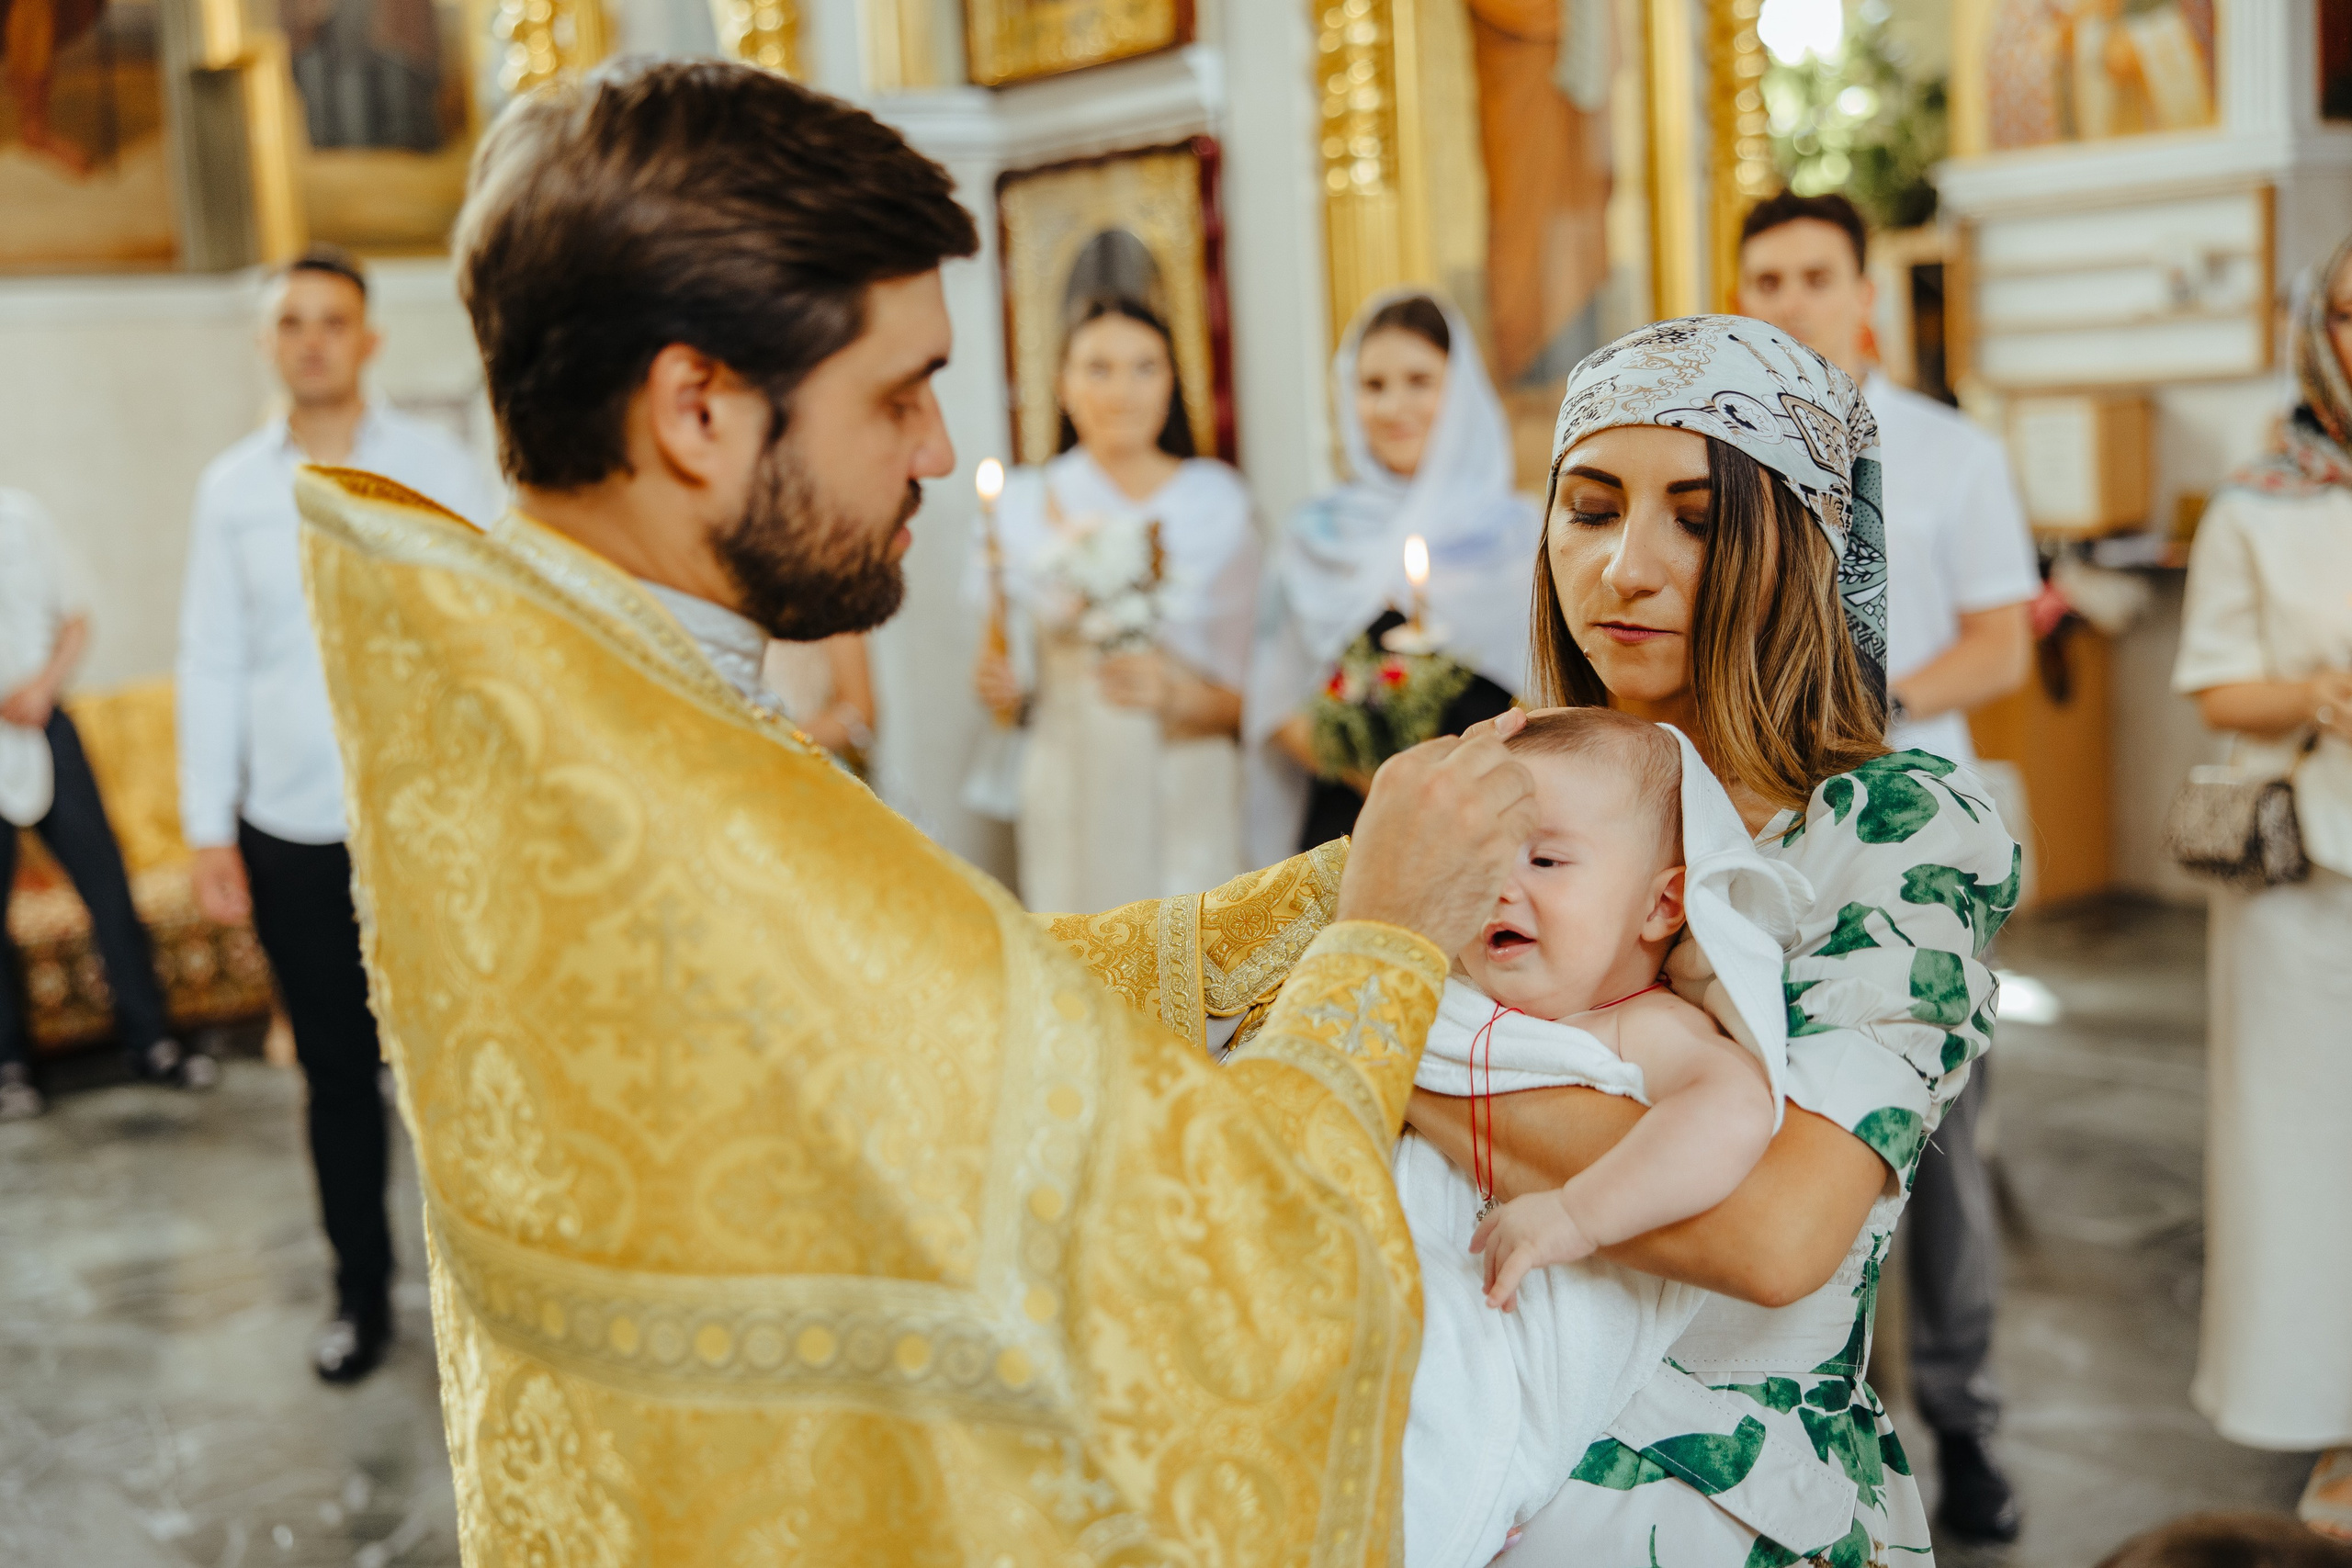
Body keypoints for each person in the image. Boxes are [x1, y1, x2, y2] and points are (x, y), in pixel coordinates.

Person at [293, 59, 1540, 1563]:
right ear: (698, 407)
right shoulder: (663, 805)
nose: (941, 454)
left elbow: (934, 1017)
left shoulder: (574, 700)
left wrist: (1313, 895)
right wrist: (1388, 945)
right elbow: (1217, 1274)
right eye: (900, 394)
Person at [1737, 186, 2040, 1543]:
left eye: (1816, 274)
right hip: (1769, 835)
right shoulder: (1725, 462)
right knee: (1786, 1127)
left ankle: (1964, 1418)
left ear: (1864, 293)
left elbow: (2001, 642)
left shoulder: (1953, 452)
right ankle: (1804, 1403)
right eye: (1767, 277)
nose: (1791, 298)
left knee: (1938, 1135)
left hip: (1915, 834)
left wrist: (1867, 706)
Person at [176, 243, 496, 1383]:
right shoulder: (230, 488)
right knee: (337, 1074)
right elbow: (211, 657)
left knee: (458, 1070)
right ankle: (360, 1294)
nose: (312, 338)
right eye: (291, 322)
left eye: (332, 320)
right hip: (293, 829)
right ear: (269, 343)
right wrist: (209, 825)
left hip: (428, 821)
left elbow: (491, 628)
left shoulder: (441, 464)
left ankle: (492, 1303)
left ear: (369, 340)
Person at [1394, 708, 1800, 1568]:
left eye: (1544, 859)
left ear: (1661, 903)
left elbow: (1730, 1111)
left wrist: (1577, 1213)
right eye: (1485, 857)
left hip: (1488, 1338)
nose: (1503, 885)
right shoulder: (1445, 990)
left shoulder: (1639, 1026)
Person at [2173, 229, 2352, 1544]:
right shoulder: (2258, 499)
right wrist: (2316, 692)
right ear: (2316, 332)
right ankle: (2339, 1431)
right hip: (2309, 883)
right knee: (2311, 1163)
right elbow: (2214, 680)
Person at [969, 296, 1256, 909]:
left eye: (1144, 367)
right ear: (1062, 385)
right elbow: (1004, 678)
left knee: (1193, 971)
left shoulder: (1218, 503)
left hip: (1185, 778)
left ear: (1172, 381)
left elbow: (1253, 695)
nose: (1122, 390)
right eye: (1098, 368)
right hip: (1071, 785)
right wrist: (1004, 688)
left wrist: (1179, 695)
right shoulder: (1019, 507)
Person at [1246, 290, 1539, 863]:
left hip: (1492, 829)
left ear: (1461, 392)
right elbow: (1277, 705)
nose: (1393, 405)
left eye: (1419, 380)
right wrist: (1376, 777)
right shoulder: (1313, 535)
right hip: (1349, 830)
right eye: (1372, 385)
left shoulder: (1522, 535)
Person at [0, 489, 209, 1121]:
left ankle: (152, 1042)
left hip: (45, 724)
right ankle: (11, 1068)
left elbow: (76, 619)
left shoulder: (23, 518)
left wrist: (40, 690)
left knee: (108, 889)